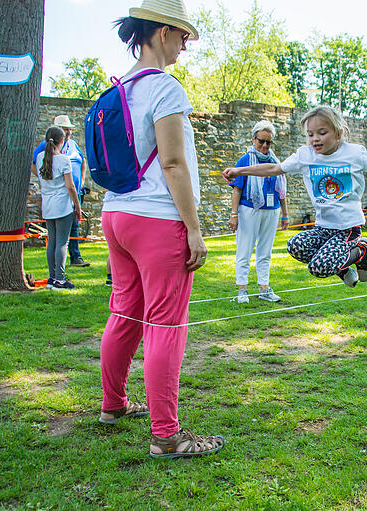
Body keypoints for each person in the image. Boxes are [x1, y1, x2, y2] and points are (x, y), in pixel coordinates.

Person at [98, 0, 224, 460]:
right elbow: (172, 163)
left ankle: (113, 406)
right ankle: (166, 435)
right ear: (165, 32)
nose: (185, 47)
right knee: (165, 323)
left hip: (117, 215)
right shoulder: (165, 88)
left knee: (126, 312)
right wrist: (193, 228)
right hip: (156, 219)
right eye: (184, 38)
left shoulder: (120, 87)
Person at [222, 105, 367, 287]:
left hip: (347, 228)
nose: (315, 139)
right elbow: (273, 169)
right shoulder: (305, 156)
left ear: (338, 133)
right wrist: (239, 171)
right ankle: (343, 267)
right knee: (295, 245)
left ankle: (362, 251)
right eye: (310, 135)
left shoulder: (354, 154)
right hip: (323, 227)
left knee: (319, 267)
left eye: (322, 133)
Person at [228, 120, 289, 304]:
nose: (264, 145)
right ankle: (242, 289)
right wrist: (234, 214)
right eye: (261, 141)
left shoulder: (275, 162)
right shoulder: (245, 161)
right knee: (244, 249)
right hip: (249, 209)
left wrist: (285, 213)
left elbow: (282, 192)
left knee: (265, 251)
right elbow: (237, 190)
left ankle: (264, 287)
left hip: (271, 210)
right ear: (253, 139)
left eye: (268, 142)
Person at [32, 115, 90, 267]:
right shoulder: (44, 151)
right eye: (66, 129)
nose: (69, 132)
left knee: (69, 229)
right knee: (60, 239)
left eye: (70, 129)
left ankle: (73, 258)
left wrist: (82, 181)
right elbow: (36, 165)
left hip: (72, 191)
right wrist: (46, 178)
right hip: (62, 195)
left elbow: (83, 161)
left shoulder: (73, 145)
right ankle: (59, 276)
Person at [36, 126, 82, 290]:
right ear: (61, 141)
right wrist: (77, 205)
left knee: (52, 242)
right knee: (62, 242)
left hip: (48, 205)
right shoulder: (63, 160)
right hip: (62, 205)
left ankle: (52, 277)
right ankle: (60, 279)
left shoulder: (41, 157)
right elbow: (70, 186)